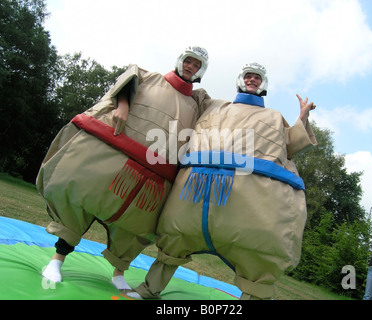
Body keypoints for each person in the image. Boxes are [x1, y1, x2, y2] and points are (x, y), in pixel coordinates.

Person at [130, 62, 317, 300]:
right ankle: (149, 289)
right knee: (175, 237)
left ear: (263, 84)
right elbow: (183, 99)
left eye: (257, 78)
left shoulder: (273, 117)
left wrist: (302, 118)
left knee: (255, 253)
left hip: (243, 203)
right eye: (249, 76)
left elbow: (290, 147)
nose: (252, 80)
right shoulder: (214, 106)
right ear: (241, 79)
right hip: (195, 194)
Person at [38, 46, 210, 292]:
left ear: (200, 71)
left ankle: (118, 274)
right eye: (189, 61)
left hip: (154, 174)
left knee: (136, 226)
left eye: (197, 65)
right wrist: (123, 105)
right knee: (82, 198)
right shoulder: (149, 77)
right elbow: (129, 80)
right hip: (119, 156)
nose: (191, 66)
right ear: (180, 60)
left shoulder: (197, 104)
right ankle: (57, 260)